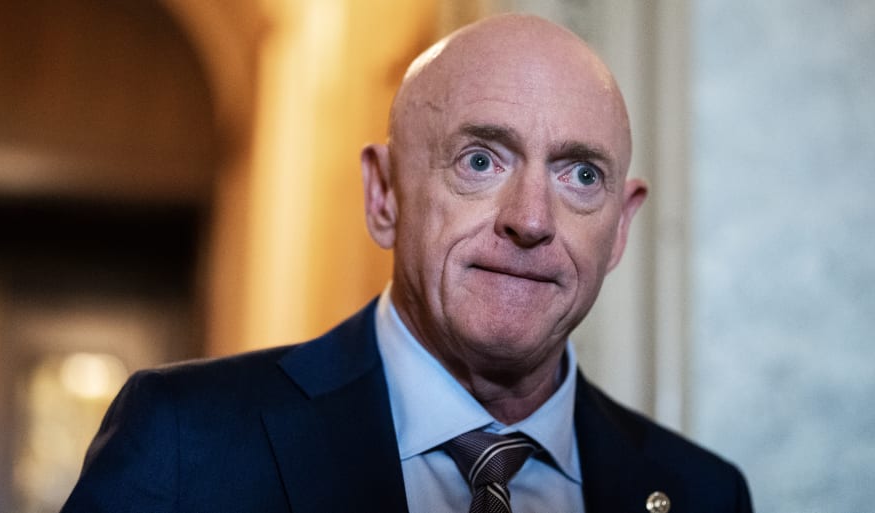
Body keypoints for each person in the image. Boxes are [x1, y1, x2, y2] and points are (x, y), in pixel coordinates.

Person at [62, 13, 752, 513]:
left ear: (621, 226)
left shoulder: (703, 493)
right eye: (480, 160)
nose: (533, 219)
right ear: (384, 194)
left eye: (579, 175)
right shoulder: (187, 443)